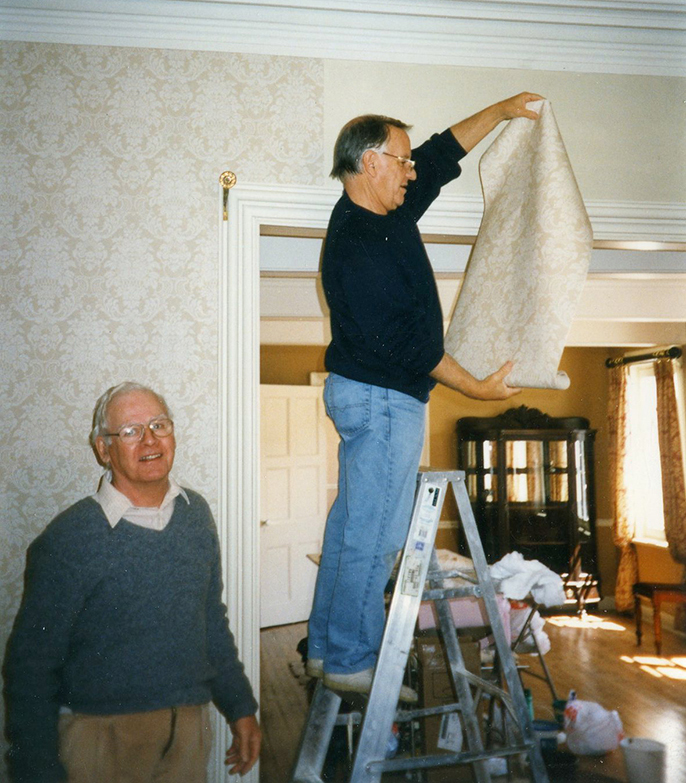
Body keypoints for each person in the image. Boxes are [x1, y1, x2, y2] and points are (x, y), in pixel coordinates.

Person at [307, 93, 542, 699]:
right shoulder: (361, 244)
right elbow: (408, 349)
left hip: (370, 393)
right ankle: (350, 658)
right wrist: (479, 389)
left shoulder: (383, 213)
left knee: (350, 528)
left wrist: (502, 110)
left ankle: (328, 649)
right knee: (377, 535)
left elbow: (439, 155)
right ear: (369, 163)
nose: (413, 172)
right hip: (384, 398)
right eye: (402, 162)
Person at [3, 382, 261, 783]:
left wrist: (242, 708)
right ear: (102, 449)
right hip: (100, 742)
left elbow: (210, 620)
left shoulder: (196, 515)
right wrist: (36, 769)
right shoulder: (69, 538)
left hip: (188, 737)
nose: (150, 440)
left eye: (159, 425)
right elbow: (31, 667)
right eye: (130, 431)